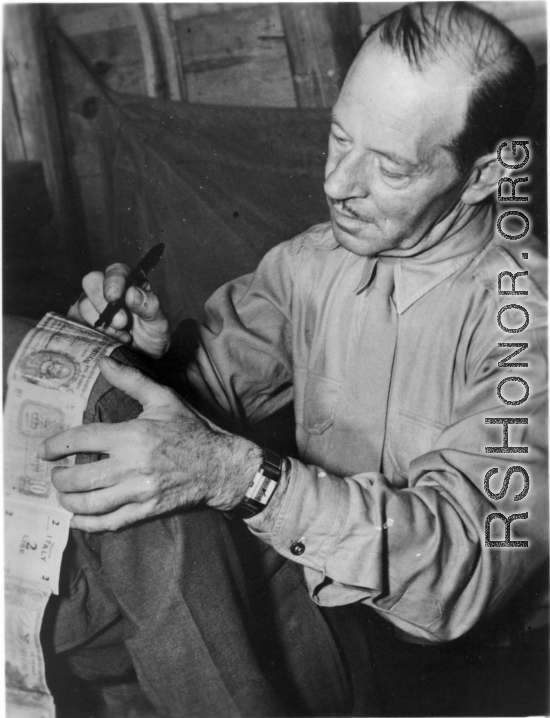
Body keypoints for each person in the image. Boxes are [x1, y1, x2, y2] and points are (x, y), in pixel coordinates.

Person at [29, 2, 547, 715]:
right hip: (314, 584)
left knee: (147, 549)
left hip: (445, 662)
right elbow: (201, 395)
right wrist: (146, 351)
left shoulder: (528, 326)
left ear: (487, 175)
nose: (337, 184)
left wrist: (238, 476)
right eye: (339, 140)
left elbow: (457, 574)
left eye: (390, 167)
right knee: (75, 606)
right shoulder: (317, 260)